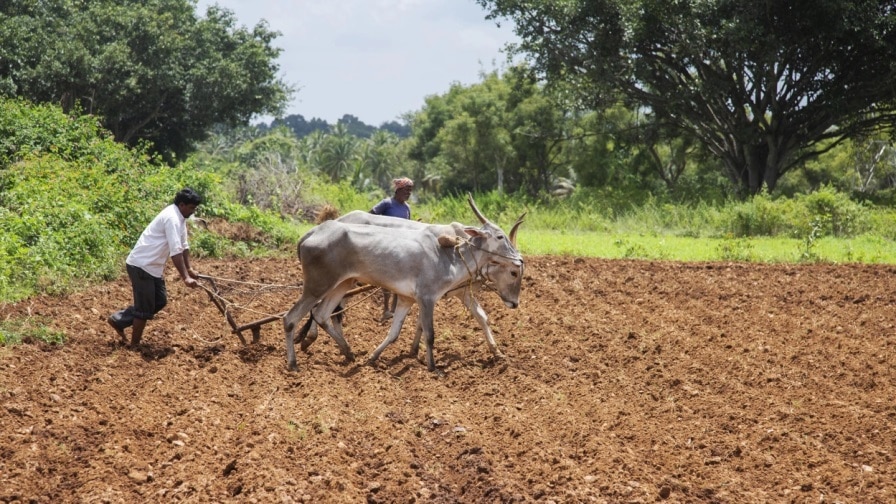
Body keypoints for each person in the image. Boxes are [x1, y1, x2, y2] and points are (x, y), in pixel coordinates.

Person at [107, 188, 203, 347]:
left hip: (152, 266)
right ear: (182, 204)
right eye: (191, 208)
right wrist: (185, 277)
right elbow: (175, 251)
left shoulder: (180, 218)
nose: (193, 211)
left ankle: (119, 320)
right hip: (141, 264)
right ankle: (134, 346)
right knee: (144, 309)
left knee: (159, 301)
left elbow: (184, 245)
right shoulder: (171, 218)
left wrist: (190, 269)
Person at [370, 177, 413, 320]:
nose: (409, 193)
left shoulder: (407, 208)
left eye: (410, 190)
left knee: (398, 278)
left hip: (401, 248)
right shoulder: (387, 203)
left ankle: (393, 310)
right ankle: (386, 309)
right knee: (387, 278)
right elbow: (371, 215)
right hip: (386, 245)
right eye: (406, 190)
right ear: (398, 190)